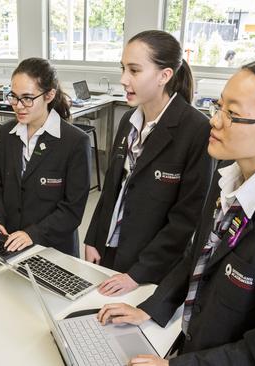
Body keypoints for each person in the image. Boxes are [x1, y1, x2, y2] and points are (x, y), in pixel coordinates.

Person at [96, 58, 255, 366]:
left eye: (232, 114)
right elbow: (197, 257)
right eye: (218, 106)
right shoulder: (227, 176)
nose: (215, 121)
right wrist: (152, 307)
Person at [84, 30, 212, 295]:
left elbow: (186, 219)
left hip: (151, 266)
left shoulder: (196, 130)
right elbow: (111, 189)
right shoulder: (128, 121)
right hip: (110, 250)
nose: (123, 79)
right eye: (122, 69)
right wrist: (93, 239)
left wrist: (137, 274)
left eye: (134, 70)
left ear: (164, 76)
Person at [0, 58, 91, 257]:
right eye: (13, 97)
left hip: (53, 249)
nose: (18, 106)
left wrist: (33, 234)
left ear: (49, 95)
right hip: (10, 243)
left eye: (27, 98)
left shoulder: (74, 142)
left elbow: (72, 210)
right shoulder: (6, 134)